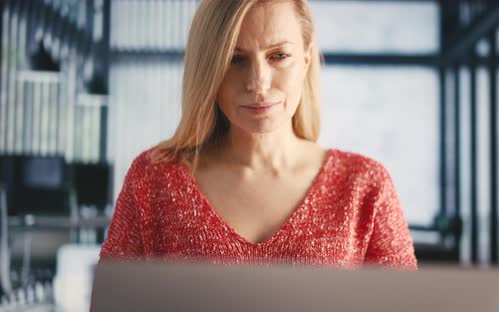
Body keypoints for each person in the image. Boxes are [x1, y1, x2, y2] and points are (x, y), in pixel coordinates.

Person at [99, 0, 417, 270]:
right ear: (208, 69)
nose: (258, 83)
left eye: (278, 56)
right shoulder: (154, 180)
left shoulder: (365, 186)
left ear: (306, 60)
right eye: (235, 59)